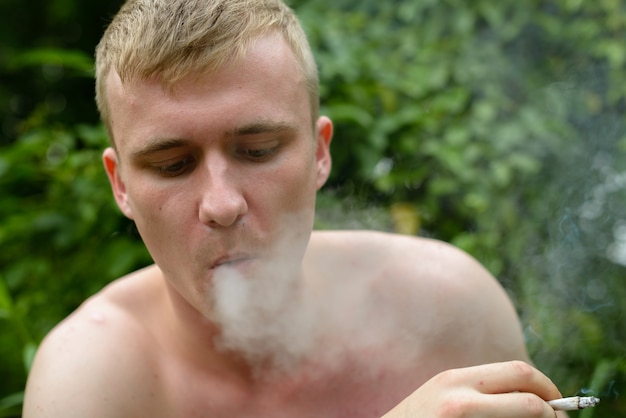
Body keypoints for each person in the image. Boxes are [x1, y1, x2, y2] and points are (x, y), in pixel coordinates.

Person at [23, 0, 568, 417]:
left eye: (257, 152)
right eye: (172, 165)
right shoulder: (91, 379)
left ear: (320, 153)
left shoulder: (451, 310)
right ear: (121, 187)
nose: (221, 205)